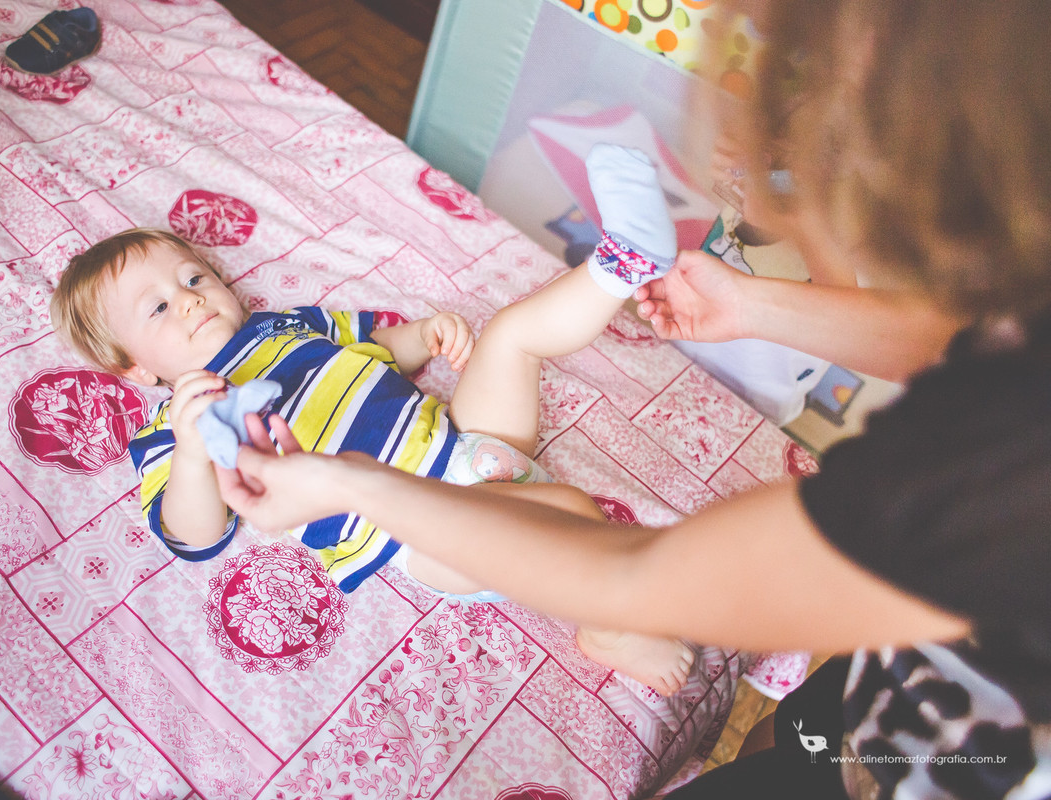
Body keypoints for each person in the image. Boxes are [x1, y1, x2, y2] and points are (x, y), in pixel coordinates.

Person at [213, 1, 1051, 798]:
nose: (193, 297)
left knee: (517, 355)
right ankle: (617, 264)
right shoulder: (1012, 364)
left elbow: (644, 576)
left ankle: (617, 261)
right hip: (879, 719)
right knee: (795, 741)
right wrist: (754, 305)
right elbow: (969, 338)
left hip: (955, 753)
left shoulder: (993, 478)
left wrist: (352, 475)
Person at [49, 140, 698, 696]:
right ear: (135, 370)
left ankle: (624, 261)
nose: (189, 301)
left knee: (510, 335)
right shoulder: (175, 427)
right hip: (417, 533)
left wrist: (426, 335)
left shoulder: (288, 327)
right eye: (158, 309)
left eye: (193, 279)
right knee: (574, 517)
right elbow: (192, 534)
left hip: (462, 440)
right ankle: (610, 631)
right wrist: (192, 452)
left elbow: (378, 350)